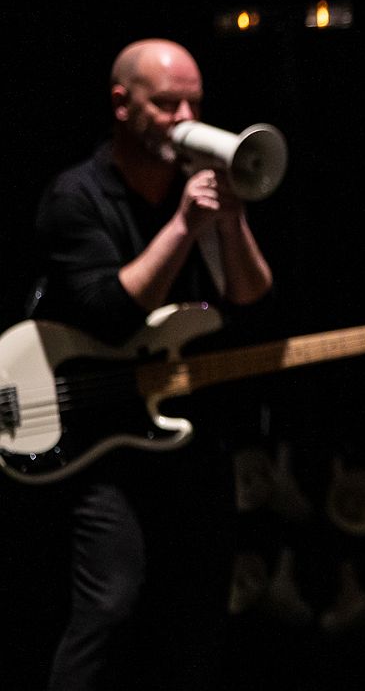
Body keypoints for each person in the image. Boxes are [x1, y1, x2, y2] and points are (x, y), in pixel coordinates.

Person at [25, 38, 275, 689]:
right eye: (167, 104)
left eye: (195, 102)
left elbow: (250, 297)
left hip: (188, 430)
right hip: (98, 437)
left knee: (198, 612)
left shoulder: (197, 187)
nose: (185, 117)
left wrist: (230, 217)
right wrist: (184, 225)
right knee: (109, 608)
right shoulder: (75, 197)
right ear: (122, 104)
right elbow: (112, 312)